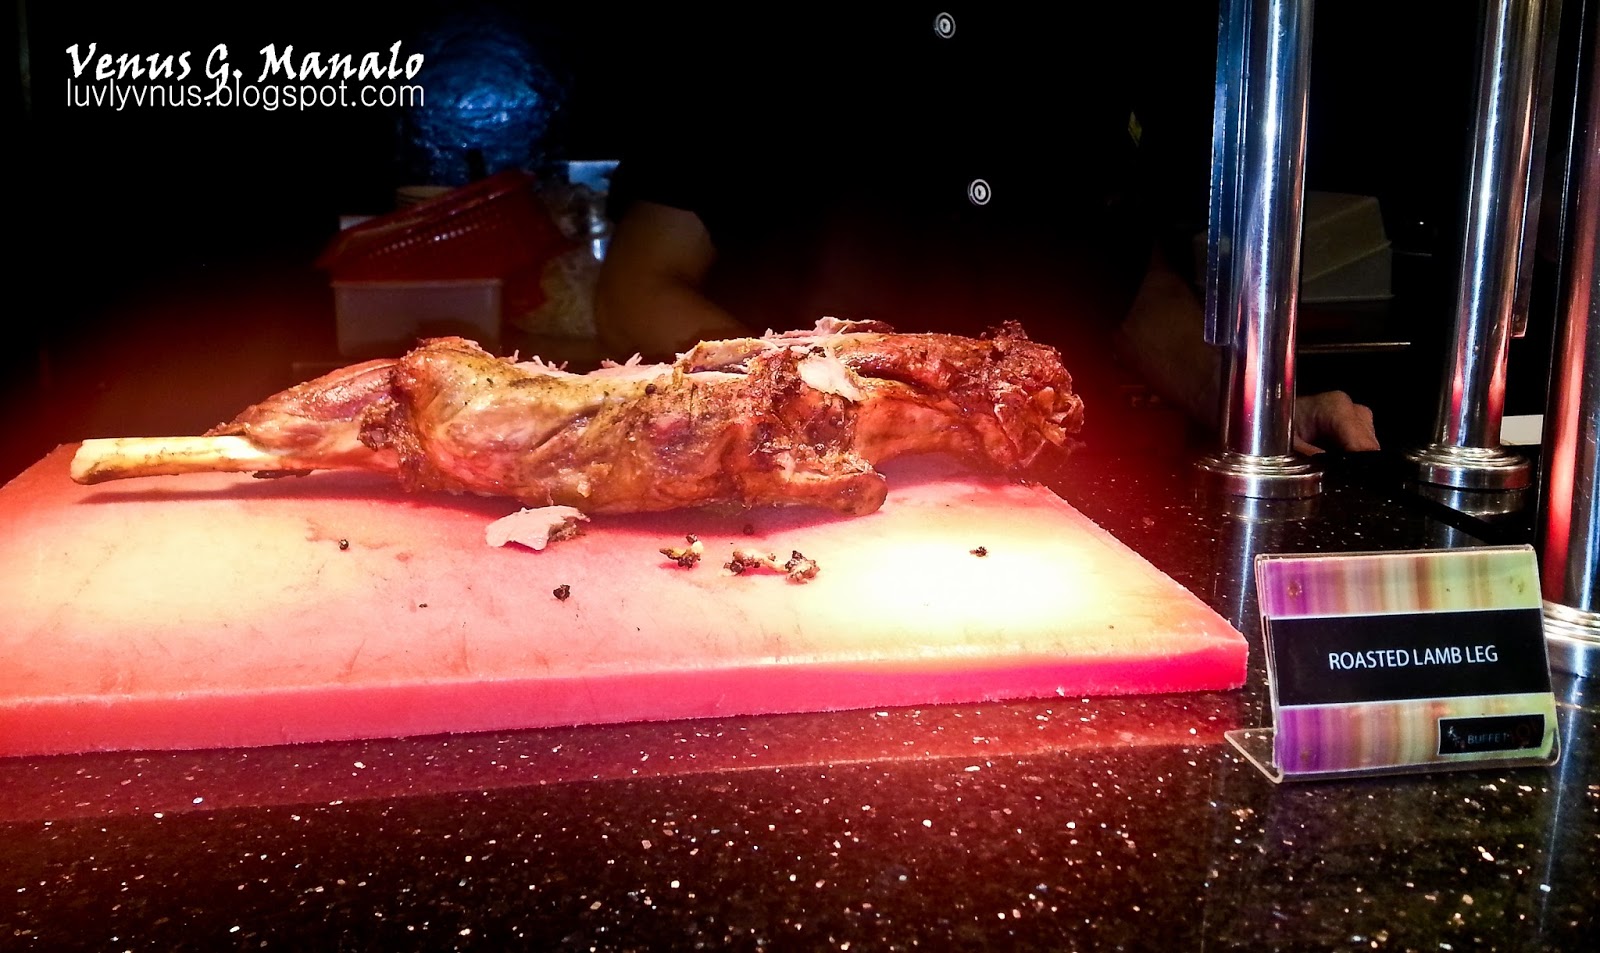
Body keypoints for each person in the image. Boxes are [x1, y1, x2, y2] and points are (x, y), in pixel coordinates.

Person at [595, 8, 1378, 454]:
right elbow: (635, 289)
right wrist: (812, 410)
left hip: (1055, 511)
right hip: (799, 497)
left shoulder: (1073, 40)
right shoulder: (743, 38)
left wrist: (1258, 410)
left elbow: (1131, 289)